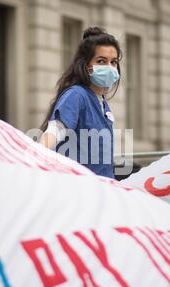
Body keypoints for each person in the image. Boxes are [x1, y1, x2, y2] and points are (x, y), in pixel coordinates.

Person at [39, 26, 122, 179]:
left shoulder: (102, 102)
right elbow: (54, 131)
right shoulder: (76, 95)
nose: (109, 67)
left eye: (114, 62)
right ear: (85, 65)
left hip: (103, 188)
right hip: (81, 189)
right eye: (101, 61)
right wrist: (32, 157)